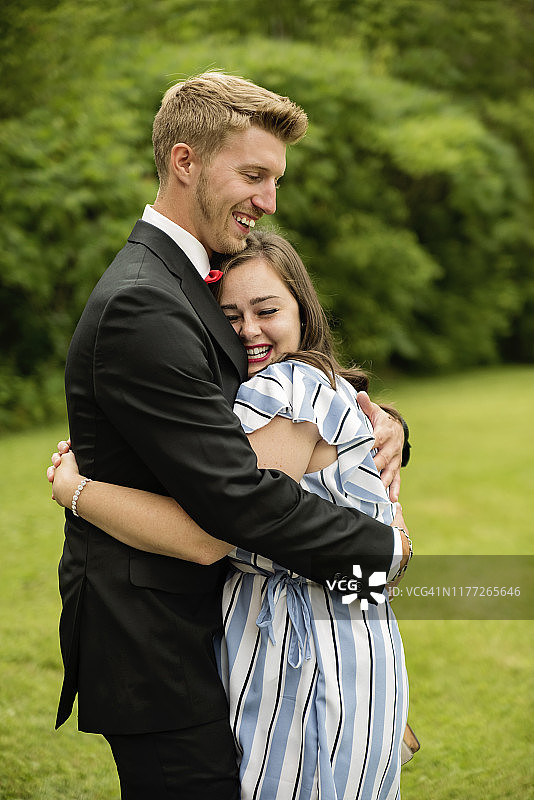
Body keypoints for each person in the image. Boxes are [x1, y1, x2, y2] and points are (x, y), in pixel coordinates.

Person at [53, 71, 411, 799]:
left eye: (274, 180)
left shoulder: (191, 282)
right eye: (253, 174)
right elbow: (236, 500)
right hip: (158, 648)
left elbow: (276, 389)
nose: (269, 200)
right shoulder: (144, 304)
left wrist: (390, 425)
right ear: (185, 162)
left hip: (225, 631)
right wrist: (382, 557)